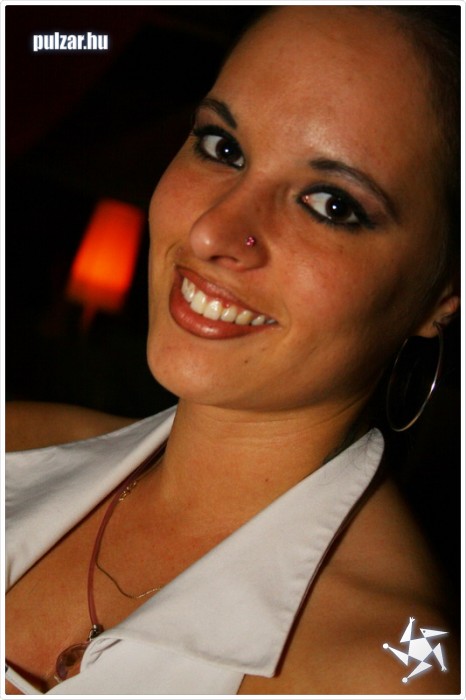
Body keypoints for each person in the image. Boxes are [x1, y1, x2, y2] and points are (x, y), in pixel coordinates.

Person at [5, 4, 461, 695]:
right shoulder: (14, 442)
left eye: (331, 204)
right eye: (223, 148)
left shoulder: (386, 672)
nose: (213, 231)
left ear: (443, 295)